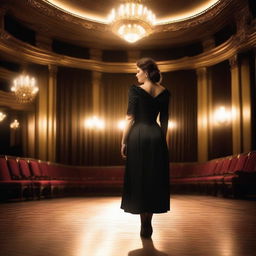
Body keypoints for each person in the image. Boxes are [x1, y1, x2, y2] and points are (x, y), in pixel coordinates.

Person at [120, 57, 170, 238]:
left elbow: (129, 118)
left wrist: (123, 141)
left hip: (138, 135)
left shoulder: (135, 90)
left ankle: (143, 224)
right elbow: (164, 121)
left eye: (138, 71)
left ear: (146, 72)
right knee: (154, 178)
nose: (136, 74)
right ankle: (149, 222)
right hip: (156, 136)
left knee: (140, 177)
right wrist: (162, 141)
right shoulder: (164, 92)